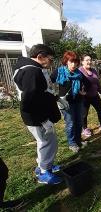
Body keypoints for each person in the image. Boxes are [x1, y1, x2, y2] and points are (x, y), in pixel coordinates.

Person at [13, 44, 63, 184]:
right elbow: (29, 99)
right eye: (50, 59)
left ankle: (44, 165)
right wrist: (42, 118)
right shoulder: (32, 72)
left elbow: (40, 92)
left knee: (47, 141)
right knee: (46, 142)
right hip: (37, 117)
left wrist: (54, 98)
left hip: (38, 115)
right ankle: (44, 173)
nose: (51, 63)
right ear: (40, 57)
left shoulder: (28, 68)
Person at [51, 51, 88, 153]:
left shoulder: (79, 73)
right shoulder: (59, 71)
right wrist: (55, 96)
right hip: (66, 103)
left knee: (79, 121)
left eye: (76, 62)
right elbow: (48, 83)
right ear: (66, 61)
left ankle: (78, 140)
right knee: (70, 123)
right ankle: (72, 143)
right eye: (71, 62)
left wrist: (83, 91)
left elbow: (86, 84)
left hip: (79, 101)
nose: (74, 64)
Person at [79, 54, 101, 137]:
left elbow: (98, 84)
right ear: (82, 62)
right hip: (84, 97)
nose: (89, 62)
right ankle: (84, 129)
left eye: (90, 60)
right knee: (84, 114)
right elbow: (75, 85)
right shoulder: (79, 71)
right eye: (87, 60)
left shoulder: (94, 70)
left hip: (95, 95)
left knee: (100, 110)